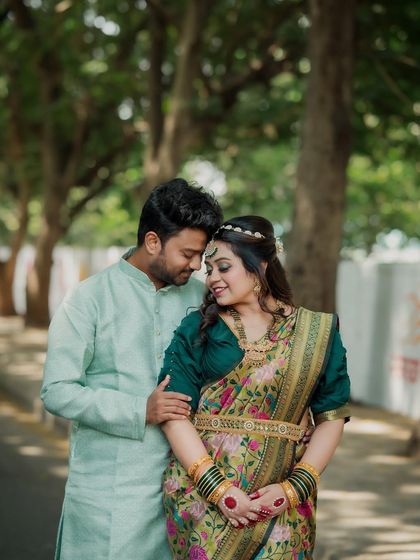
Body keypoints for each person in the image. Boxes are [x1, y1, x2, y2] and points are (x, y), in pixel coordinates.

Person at [41, 178, 223, 560]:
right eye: (187, 253)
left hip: (184, 486)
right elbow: (57, 389)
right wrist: (140, 410)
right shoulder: (89, 299)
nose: (196, 265)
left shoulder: (204, 298)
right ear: (153, 241)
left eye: (201, 255)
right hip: (108, 494)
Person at [158, 215, 351, 560]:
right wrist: (218, 489)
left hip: (282, 501)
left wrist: (293, 490)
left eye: (224, 267)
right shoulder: (199, 329)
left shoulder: (318, 333)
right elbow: (174, 413)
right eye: (210, 269)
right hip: (202, 498)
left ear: (260, 264)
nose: (213, 278)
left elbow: (332, 416)